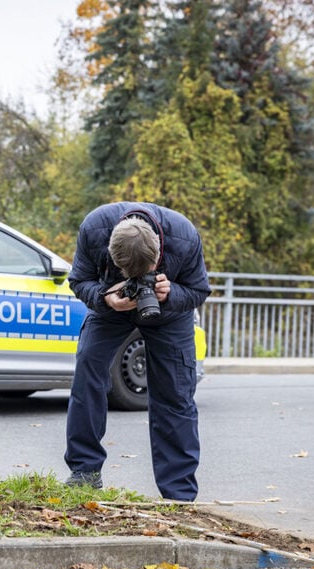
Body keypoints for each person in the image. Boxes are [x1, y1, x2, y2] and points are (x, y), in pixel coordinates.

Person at [64, 201, 210, 501]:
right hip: (110, 308)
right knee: (88, 374)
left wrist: (172, 293)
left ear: (159, 256)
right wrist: (105, 297)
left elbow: (198, 290)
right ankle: (84, 473)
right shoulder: (94, 228)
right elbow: (79, 280)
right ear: (112, 256)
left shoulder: (184, 236)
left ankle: (179, 495)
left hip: (169, 314)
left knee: (176, 394)